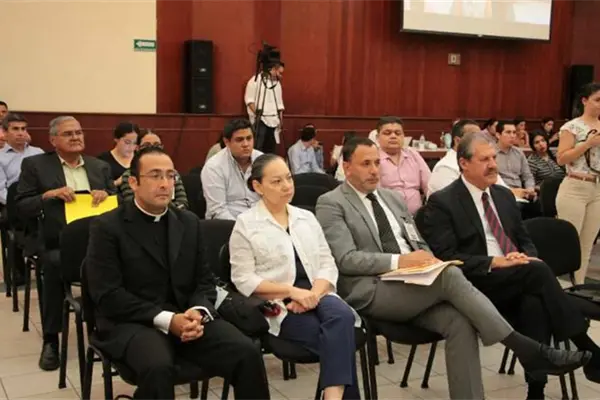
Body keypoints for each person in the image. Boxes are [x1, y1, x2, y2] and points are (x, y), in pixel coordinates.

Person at [315, 136, 589, 400]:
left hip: (415, 281)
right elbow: (346, 259)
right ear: (346, 167)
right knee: (450, 275)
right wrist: (400, 261)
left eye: (377, 163)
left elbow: (417, 241)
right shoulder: (332, 202)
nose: (375, 170)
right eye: (366, 164)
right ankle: (526, 348)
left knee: (460, 321)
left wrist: (429, 261)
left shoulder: (392, 198)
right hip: (373, 288)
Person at [421, 132, 600, 399]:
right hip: (475, 281)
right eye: (484, 159)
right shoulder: (443, 202)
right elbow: (446, 256)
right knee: (537, 273)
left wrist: (524, 257)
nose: (493, 164)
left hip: (517, 276)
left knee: (533, 303)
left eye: (494, 158)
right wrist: (495, 261)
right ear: (464, 163)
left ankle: (536, 391)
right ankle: (587, 347)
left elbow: (525, 240)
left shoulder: (503, 195)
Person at [86, 146, 270, 400]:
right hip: (132, 321)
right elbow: (108, 295)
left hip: (187, 315)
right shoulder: (107, 227)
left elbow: (204, 281)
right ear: (133, 182)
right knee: (158, 367)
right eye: (155, 176)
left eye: (170, 176)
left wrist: (198, 311)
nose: (165, 184)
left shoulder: (188, 222)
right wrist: (167, 320)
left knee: (246, 351)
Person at [230, 154, 361, 400]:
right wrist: (292, 292)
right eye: (276, 181)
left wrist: (312, 295)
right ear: (258, 186)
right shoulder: (246, 224)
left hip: (318, 293)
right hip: (281, 303)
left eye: (289, 178)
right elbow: (243, 279)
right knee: (339, 340)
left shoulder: (306, 218)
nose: (287, 186)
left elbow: (327, 263)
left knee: (342, 316)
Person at [16, 116, 115, 371]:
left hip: (98, 240)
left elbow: (116, 202)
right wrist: (48, 195)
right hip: (57, 239)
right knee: (53, 265)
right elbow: (22, 205)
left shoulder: (99, 166)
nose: (75, 137)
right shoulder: (36, 165)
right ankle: (51, 339)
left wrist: (106, 194)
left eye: (78, 132)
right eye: (68, 133)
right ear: (53, 140)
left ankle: (114, 328)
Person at [556, 82, 600, 284]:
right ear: (584, 101)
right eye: (597, 100)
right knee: (568, 243)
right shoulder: (571, 127)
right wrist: (587, 144)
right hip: (575, 186)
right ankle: (559, 286)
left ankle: (579, 286)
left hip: (597, 188)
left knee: (587, 243)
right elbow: (562, 158)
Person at [427, 120, 525, 199]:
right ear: (457, 141)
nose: (493, 164)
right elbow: (454, 203)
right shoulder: (445, 168)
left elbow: (502, 189)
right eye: (473, 136)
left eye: (480, 136)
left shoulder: (488, 162)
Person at [201, 119, 262, 220]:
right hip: (229, 224)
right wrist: (243, 227)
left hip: (261, 221)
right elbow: (218, 211)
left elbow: (273, 198)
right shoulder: (214, 167)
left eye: (249, 138)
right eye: (239, 140)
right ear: (227, 142)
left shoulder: (262, 160)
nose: (246, 144)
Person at [118, 130, 188, 209]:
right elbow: (131, 203)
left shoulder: (173, 172)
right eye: (147, 145)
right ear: (137, 148)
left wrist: (164, 209)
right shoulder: (129, 174)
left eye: (157, 145)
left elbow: (183, 203)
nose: (153, 149)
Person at [376, 116, 430, 215]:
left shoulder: (412, 154)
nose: (393, 136)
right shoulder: (374, 159)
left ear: (403, 136)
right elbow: (375, 194)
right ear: (377, 138)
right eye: (387, 133)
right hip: (389, 216)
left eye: (398, 133)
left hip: (418, 216)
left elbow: (429, 185)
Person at [0, 113, 44, 204]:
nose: (20, 133)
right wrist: (17, 205)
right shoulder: (1, 157)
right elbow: (1, 191)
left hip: (41, 200)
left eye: (23, 129)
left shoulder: (38, 152)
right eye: (15, 129)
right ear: (4, 132)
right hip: (13, 203)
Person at [244, 62, 285, 154]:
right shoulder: (255, 81)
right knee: (258, 147)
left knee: (271, 149)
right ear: (272, 69)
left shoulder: (277, 84)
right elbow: (249, 101)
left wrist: (280, 119)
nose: (280, 75)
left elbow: (279, 104)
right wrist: (258, 115)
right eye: (279, 72)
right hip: (260, 120)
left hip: (274, 120)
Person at [97, 122, 139, 187]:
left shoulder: (140, 158)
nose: (131, 147)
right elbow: (99, 187)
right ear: (116, 139)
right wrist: (116, 182)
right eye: (127, 142)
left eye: (134, 143)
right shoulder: (103, 160)